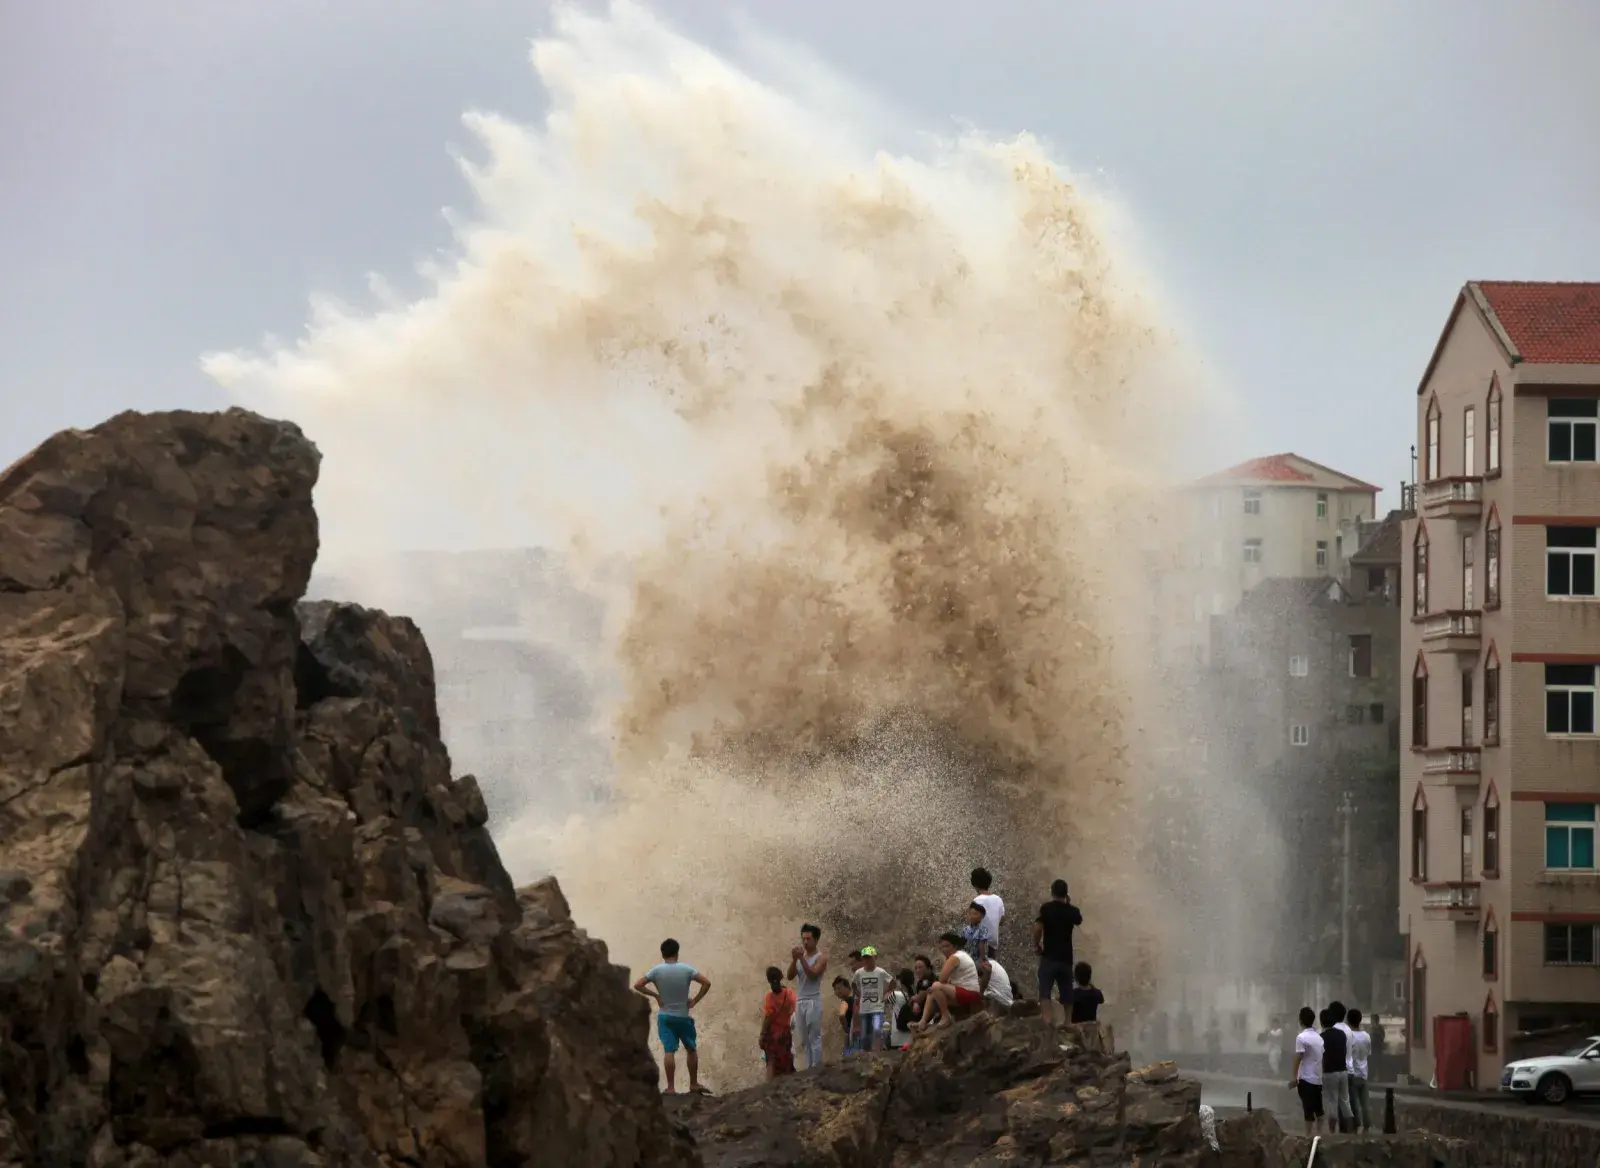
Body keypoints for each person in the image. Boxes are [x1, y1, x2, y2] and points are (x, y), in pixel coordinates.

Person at [633, 938, 712, 1094]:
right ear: (677, 952)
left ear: (663, 954)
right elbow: (707, 983)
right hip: (683, 1016)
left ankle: (670, 1087)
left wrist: (656, 995)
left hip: (665, 1017)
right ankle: (694, 1084)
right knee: (691, 1049)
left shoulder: (656, 970)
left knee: (669, 1051)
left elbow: (638, 985)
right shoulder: (686, 969)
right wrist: (695, 1000)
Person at [1034, 879, 1083, 1023]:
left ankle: (1047, 1020)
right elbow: (1078, 920)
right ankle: (1068, 1022)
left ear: (1052, 891)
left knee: (1045, 991)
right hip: (1066, 958)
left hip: (1049, 956)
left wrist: (1036, 945)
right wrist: (1068, 903)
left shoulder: (1046, 908)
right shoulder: (1072, 911)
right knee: (1067, 992)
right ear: (1066, 893)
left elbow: (1037, 928)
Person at [917, 932, 983, 1031]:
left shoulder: (955, 957)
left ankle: (946, 1016)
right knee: (931, 992)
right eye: (942, 947)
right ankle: (922, 1021)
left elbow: (942, 979)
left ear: (955, 946)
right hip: (961, 992)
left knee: (936, 985)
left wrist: (945, 963)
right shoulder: (957, 956)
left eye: (947, 946)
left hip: (970, 993)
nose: (944, 950)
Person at [787, 924, 828, 1070]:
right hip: (801, 1000)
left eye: (808, 939)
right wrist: (794, 959)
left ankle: (816, 1067)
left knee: (814, 1036)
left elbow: (812, 974)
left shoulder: (821, 957)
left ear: (816, 940)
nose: (805, 942)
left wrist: (801, 959)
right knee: (804, 1038)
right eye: (803, 939)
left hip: (813, 1000)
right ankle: (808, 1067)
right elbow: (789, 976)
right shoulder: (800, 958)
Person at [1289, 1006, 1325, 1137]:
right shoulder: (1319, 1038)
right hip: (1317, 1078)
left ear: (1300, 1020)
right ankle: (1319, 1135)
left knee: (1308, 1110)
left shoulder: (1301, 1037)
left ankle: (1308, 1136)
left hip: (1306, 1078)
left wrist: (1294, 1078)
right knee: (1319, 1110)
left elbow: (1298, 1057)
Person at [851, 946, 893, 1053]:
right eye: (865, 958)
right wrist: (858, 994)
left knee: (876, 1030)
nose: (867, 960)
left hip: (877, 1007)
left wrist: (886, 993)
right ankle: (867, 1055)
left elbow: (892, 982)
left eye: (869, 957)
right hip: (864, 1009)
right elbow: (853, 984)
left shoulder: (880, 972)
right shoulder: (859, 973)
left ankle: (878, 1053)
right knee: (864, 1035)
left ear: (875, 957)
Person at [759, 966, 797, 1079]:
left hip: (773, 1033)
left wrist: (762, 1034)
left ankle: (769, 1087)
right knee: (785, 1060)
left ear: (769, 980)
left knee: (771, 1061)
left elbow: (768, 1017)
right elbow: (793, 1009)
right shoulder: (789, 993)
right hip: (785, 1032)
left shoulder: (770, 997)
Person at [1320, 1006, 1352, 1134]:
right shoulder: (1342, 1034)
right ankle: (1350, 1129)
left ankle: (1332, 1131)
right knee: (1345, 1101)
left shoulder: (1322, 1037)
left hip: (1330, 1072)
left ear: (1322, 1022)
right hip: (1343, 1071)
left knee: (1332, 1101)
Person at [1347, 1008, 1372, 1132]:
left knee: (1354, 1103)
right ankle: (1367, 1124)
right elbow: (1368, 1053)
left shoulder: (1349, 1037)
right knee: (1365, 1102)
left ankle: (1356, 1125)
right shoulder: (1366, 1036)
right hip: (1364, 1073)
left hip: (1353, 1074)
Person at [971, 867, 1005, 956]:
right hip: (993, 943)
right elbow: (1002, 921)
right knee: (991, 965)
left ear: (974, 884)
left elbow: (973, 922)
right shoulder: (998, 900)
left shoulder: (977, 901)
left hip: (981, 943)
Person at [888, 969, 914, 1050]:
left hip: (897, 1038)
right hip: (911, 1038)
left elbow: (884, 1000)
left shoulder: (895, 995)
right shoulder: (915, 996)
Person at [832, 976, 855, 1053]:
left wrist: (846, 1028)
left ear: (848, 987)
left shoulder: (845, 1002)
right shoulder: (855, 1000)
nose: (837, 991)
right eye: (835, 989)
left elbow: (841, 1015)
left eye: (839, 988)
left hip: (851, 1033)